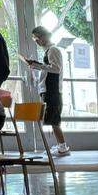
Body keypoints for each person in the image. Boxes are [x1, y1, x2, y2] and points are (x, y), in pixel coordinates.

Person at [26, 27, 70, 156]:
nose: (36, 41)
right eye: (34, 38)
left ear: (45, 36)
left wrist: (37, 65)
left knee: (54, 120)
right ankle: (61, 146)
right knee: (52, 119)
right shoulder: (49, 51)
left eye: (37, 37)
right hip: (49, 90)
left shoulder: (53, 50)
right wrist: (36, 65)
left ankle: (63, 147)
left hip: (53, 90)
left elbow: (56, 69)